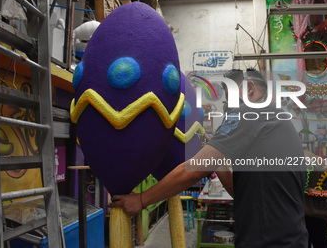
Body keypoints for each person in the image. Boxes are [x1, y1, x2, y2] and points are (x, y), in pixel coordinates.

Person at [111, 68, 308, 247]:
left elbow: (193, 170)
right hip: (285, 238)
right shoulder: (275, 119)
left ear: (249, 88)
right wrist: (219, 157)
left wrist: (142, 200)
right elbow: (240, 193)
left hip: (270, 242)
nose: (227, 106)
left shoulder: (251, 112)